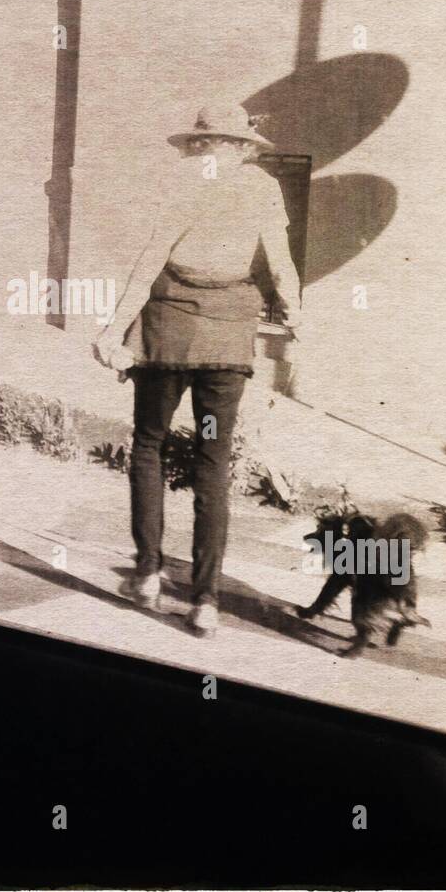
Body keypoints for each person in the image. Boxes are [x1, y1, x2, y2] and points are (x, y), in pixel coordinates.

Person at [93, 106, 303, 638]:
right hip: (227, 343)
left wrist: (113, 331)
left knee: (149, 444)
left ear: (205, 145)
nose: (205, 153)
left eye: (204, 145)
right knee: (212, 461)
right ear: (242, 145)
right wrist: (295, 322)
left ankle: (148, 573)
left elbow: (150, 259)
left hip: (167, 335)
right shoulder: (262, 188)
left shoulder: (181, 182)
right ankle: (205, 601)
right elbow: (280, 263)